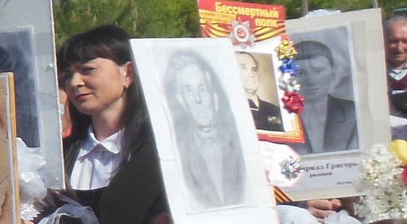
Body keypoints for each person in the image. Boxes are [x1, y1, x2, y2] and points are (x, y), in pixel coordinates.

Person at [58, 25, 145, 191]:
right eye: (67, 75)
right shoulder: (60, 157)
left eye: (87, 70)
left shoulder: (157, 154)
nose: (74, 82)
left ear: (128, 73)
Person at [161, 48, 246, 211]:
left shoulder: (238, 142)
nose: (198, 99)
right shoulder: (176, 152)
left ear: (213, 94)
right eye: (189, 90)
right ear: (181, 99)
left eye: (202, 88)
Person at [293, 39, 357, 154]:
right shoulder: (283, 116)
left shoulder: (352, 111)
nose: (311, 80)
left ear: (333, 72)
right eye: (300, 73)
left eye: (318, 71)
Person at [232, 51, 284, 133]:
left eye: (254, 69)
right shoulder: (226, 108)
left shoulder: (274, 110)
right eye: (243, 68)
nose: (252, 74)